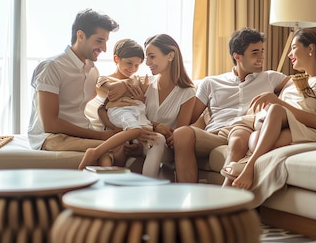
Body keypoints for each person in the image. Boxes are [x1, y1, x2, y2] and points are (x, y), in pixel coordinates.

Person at [170, 28, 289, 183]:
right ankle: (187, 200)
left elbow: (304, 84)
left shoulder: (271, 78)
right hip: (216, 135)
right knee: (182, 133)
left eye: (262, 51)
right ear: (237, 56)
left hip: (245, 131)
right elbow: (190, 117)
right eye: (254, 53)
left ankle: (226, 197)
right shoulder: (211, 82)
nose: (261, 57)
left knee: (238, 139)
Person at [227, 28, 316, 190]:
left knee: (275, 111)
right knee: (255, 137)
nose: (289, 54)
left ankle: (249, 166)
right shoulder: (292, 81)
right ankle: (224, 200)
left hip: (304, 129)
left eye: (294, 48)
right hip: (273, 127)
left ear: (310, 48)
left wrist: (279, 103)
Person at [27, 9, 121, 165]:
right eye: (99, 41)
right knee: (111, 147)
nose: (104, 48)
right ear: (80, 36)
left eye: (105, 42)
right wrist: (101, 136)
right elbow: (50, 124)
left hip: (81, 134)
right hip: (52, 137)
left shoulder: (92, 70)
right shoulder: (52, 67)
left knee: (119, 146)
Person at [119, 34, 197, 177]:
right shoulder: (145, 84)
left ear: (170, 55)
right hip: (140, 137)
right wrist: (156, 126)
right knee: (154, 139)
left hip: (165, 148)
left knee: (158, 140)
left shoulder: (188, 93)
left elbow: (176, 138)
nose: (147, 62)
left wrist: (154, 129)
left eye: (152, 57)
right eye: (147, 57)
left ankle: (149, 190)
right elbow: (131, 115)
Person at [77, 39, 152, 173]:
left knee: (137, 142)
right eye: (129, 63)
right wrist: (127, 84)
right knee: (115, 154)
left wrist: (139, 96)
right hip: (115, 127)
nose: (132, 69)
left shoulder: (137, 81)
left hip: (131, 126)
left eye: (137, 65)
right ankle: (102, 165)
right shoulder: (104, 79)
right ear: (116, 59)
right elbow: (103, 106)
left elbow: (140, 107)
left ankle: (111, 179)